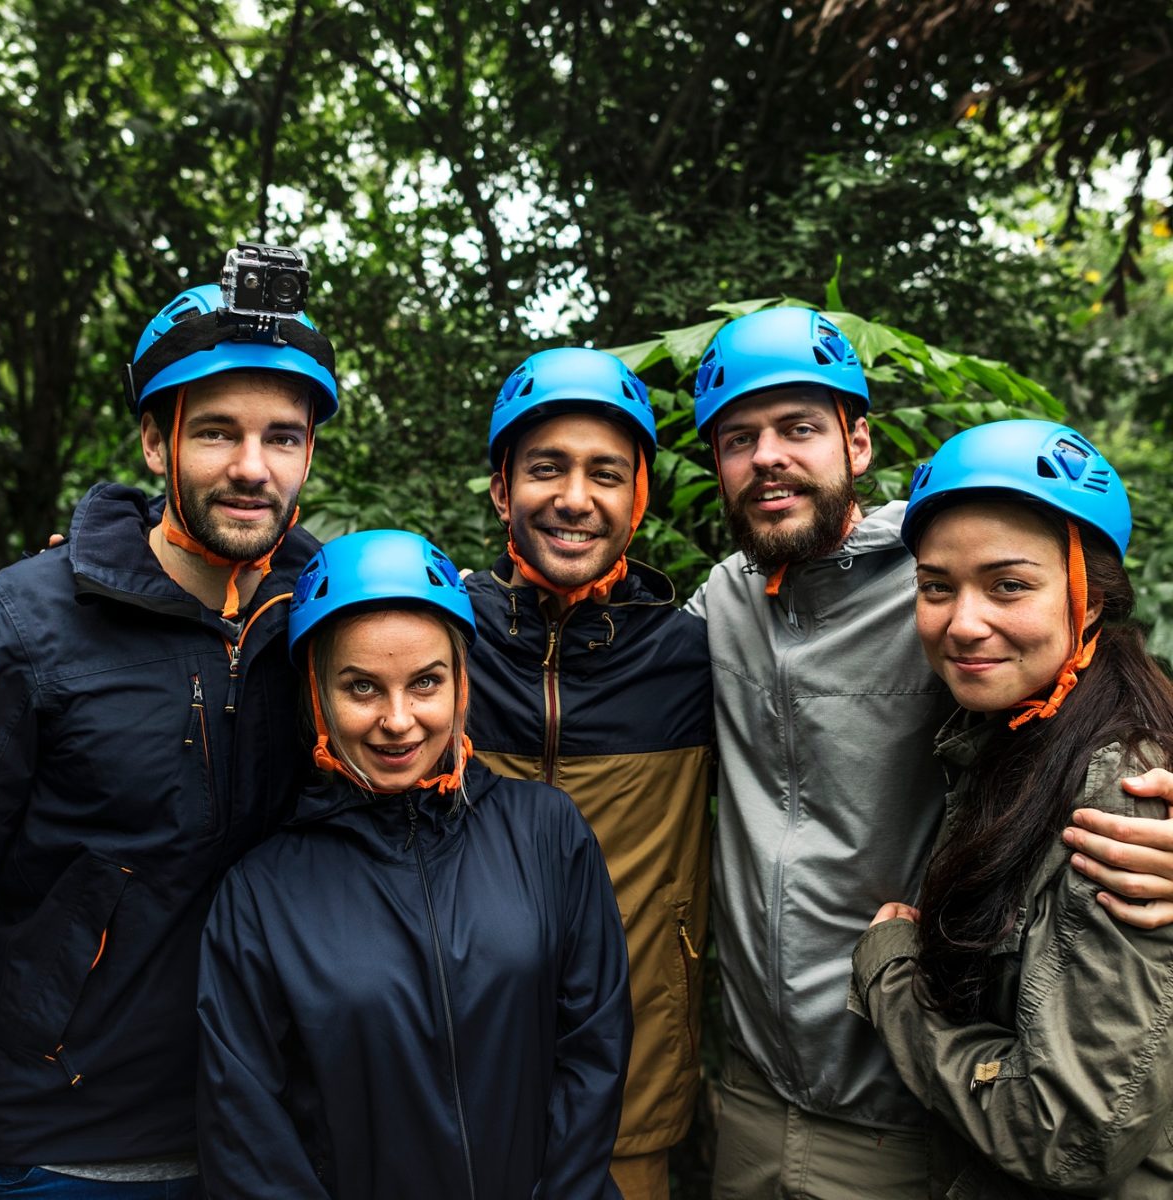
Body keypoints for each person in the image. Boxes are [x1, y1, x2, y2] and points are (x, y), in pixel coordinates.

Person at [684, 306, 1173, 1199]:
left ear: (857, 444)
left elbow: (1118, 709)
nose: (768, 459)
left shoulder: (945, 560)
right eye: (737, 439)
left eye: (799, 428)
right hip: (752, 1099)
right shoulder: (720, 605)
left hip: (913, 1115)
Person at [0, 250, 337, 1197]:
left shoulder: (329, 622)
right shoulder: (24, 625)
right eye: (216, 433)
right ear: (152, 440)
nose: (253, 469)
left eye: (284, 437)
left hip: (264, 1134)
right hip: (60, 1147)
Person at [196, 529, 632, 1199]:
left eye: (425, 682)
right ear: (317, 695)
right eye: (362, 687)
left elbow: (594, 1050)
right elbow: (248, 1136)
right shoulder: (261, 895)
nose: (398, 721)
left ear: (461, 682)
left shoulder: (547, 831)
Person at [850, 419, 1173, 1197]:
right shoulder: (1007, 736)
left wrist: (891, 972)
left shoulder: (1120, 790)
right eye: (936, 587)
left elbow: (1065, 1138)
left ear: (1091, 599)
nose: (963, 623)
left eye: (1009, 585)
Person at [463, 348, 713, 1200]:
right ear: (502, 490)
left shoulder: (694, 655)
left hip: (632, 1102)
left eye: (606, 473)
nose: (575, 498)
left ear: (639, 494)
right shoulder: (440, 641)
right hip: (450, 1087)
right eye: (546, 469)